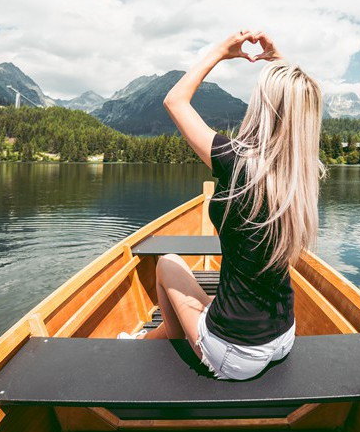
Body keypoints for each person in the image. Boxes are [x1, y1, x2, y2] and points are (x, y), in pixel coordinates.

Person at [118, 30, 326, 381]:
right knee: (213, 299)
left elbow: (175, 101)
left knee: (167, 264)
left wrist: (221, 51)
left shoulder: (236, 161)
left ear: (263, 107)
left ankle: (155, 342)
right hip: (283, 337)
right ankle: (151, 338)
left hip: (236, 354)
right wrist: (280, 61)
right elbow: (295, 101)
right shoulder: (302, 175)